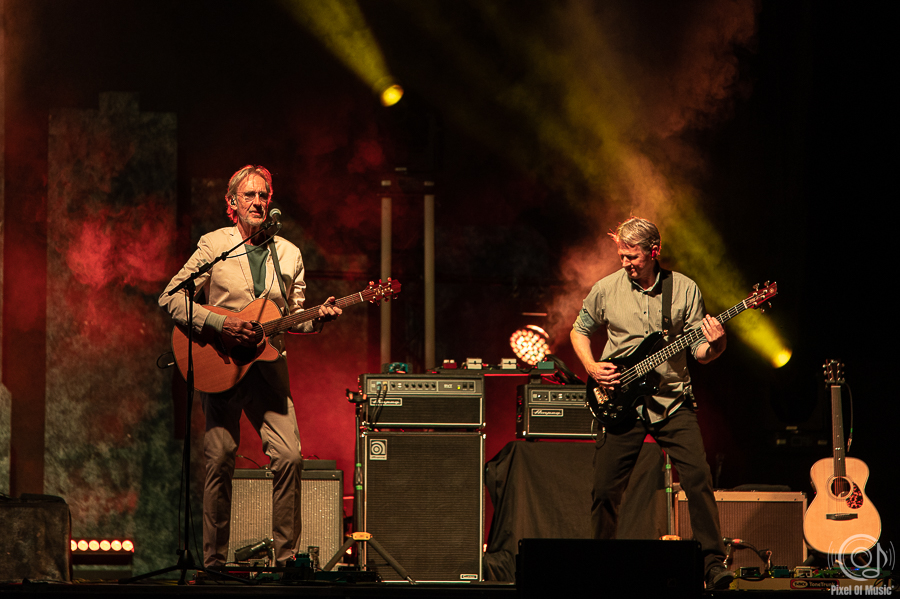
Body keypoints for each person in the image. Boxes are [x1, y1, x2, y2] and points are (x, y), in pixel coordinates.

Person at [159, 164, 341, 567]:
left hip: (268, 369)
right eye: (249, 196)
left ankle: (286, 559)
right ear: (232, 203)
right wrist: (220, 324)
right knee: (220, 457)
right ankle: (214, 563)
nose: (257, 202)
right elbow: (171, 297)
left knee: (290, 457)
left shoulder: (289, 254)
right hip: (220, 364)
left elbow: (294, 317)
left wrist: (318, 318)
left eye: (263, 195)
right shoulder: (214, 244)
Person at [569, 217, 733, 590]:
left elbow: (700, 352)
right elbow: (580, 331)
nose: (626, 263)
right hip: (620, 400)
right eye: (621, 256)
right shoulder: (606, 289)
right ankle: (599, 568)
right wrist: (592, 367)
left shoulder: (684, 289)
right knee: (604, 490)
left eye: (633, 256)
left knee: (698, 479)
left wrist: (718, 343)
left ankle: (712, 564)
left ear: (654, 251)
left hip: (672, 400)